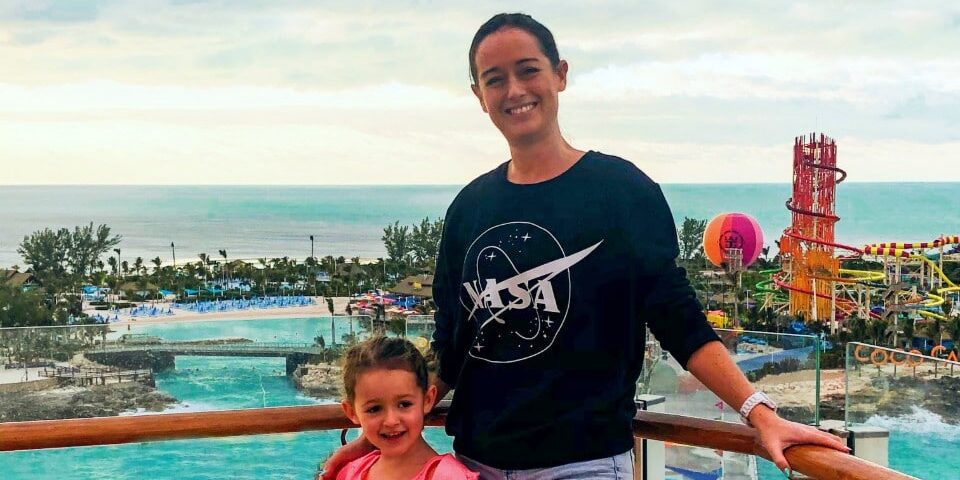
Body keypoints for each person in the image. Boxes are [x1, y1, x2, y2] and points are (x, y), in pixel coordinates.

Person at [327, 12, 849, 479]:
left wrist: (759, 413)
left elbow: (678, 321)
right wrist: (387, 434)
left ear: (560, 74)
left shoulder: (621, 192)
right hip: (475, 464)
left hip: (583, 464)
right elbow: (453, 343)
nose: (514, 90)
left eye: (528, 70)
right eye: (495, 79)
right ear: (479, 97)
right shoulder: (469, 208)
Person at [334, 336, 478, 480]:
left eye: (404, 404)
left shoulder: (451, 477)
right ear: (352, 412)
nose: (391, 421)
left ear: (427, 400)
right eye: (374, 409)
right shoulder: (347, 474)